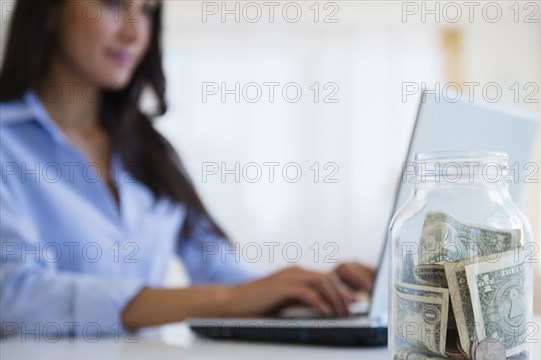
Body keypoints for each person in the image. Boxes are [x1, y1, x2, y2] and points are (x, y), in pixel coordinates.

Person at [0, 0, 375, 335]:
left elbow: (223, 277)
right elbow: (16, 295)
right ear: (49, 10)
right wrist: (227, 298)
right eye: (113, 4)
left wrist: (311, 291)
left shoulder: (150, 151)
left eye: (147, 11)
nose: (133, 32)